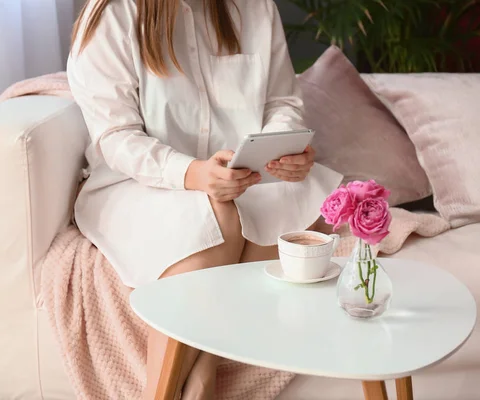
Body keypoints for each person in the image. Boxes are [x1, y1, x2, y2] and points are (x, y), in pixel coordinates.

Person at [67, 0, 342, 398]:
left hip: (244, 178)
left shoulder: (255, 7)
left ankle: (201, 375)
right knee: (216, 219)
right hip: (138, 182)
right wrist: (192, 173)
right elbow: (115, 135)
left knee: (276, 209)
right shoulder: (115, 11)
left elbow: (282, 102)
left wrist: (282, 150)